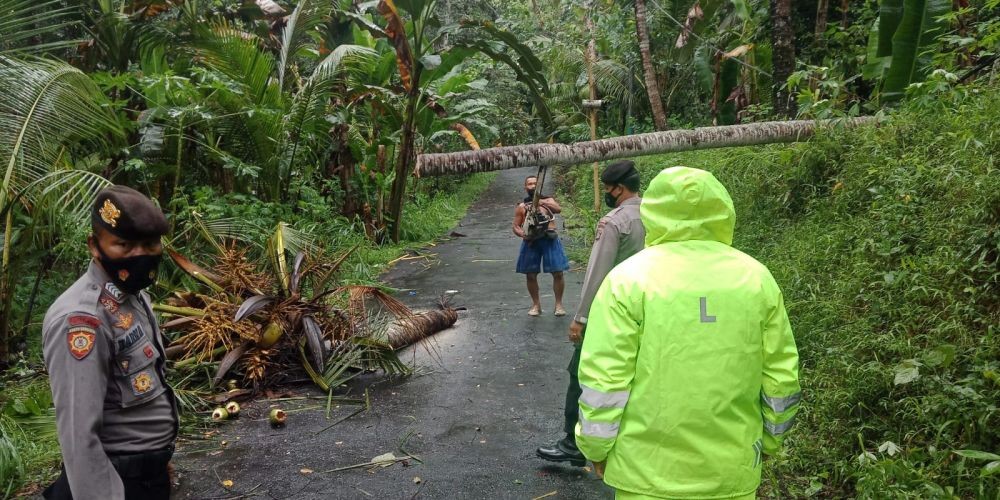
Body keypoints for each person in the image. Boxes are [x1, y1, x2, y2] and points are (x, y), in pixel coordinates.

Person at [575, 167, 801, 499]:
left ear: (655, 210)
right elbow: (781, 376)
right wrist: (769, 442)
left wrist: (595, 447)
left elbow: (605, 378)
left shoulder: (628, 280)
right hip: (730, 472)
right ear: (722, 208)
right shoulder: (756, 278)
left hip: (645, 475)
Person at [42, 186, 177, 500]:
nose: (139, 255)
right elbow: (78, 436)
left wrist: (158, 462)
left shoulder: (133, 296)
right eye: (124, 245)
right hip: (114, 483)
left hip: (144, 476)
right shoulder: (82, 320)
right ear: (94, 245)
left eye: (149, 244)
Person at [536, 160, 645, 467]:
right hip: (649, 309)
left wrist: (580, 318)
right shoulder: (657, 215)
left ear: (618, 189)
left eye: (608, 189)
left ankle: (574, 443)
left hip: (611, 312)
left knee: (580, 374)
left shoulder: (614, 222)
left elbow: (598, 273)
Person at [513, 174, 569, 316]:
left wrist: (541, 202)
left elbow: (558, 209)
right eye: (529, 184)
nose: (532, 186)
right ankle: (536, 305)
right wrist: (523, 234)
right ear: (525, 187)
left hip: (549, 239)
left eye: (535, 183)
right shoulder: (522, 206)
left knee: (558, 272)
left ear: (539, 186)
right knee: (530, 274)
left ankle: (559, 305)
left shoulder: (549, 201)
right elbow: (516, 226)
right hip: (531, 242)